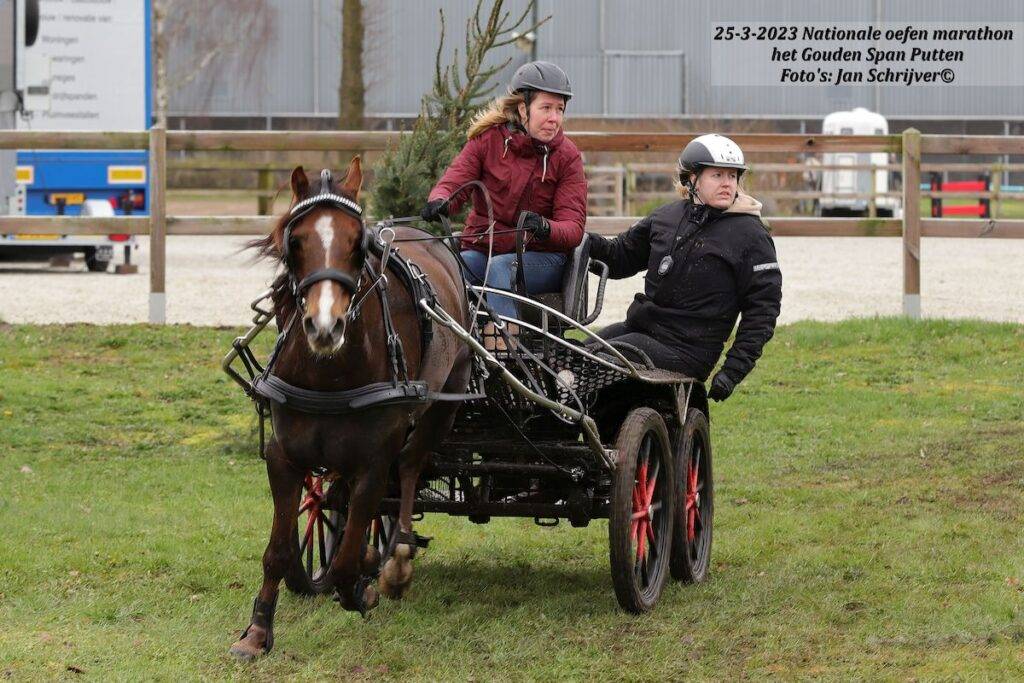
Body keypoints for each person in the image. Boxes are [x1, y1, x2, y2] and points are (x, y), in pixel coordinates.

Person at [586, 134, 782, 402]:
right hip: (640, 329)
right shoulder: (666, 217)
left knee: (600, 356)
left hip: (689, 349)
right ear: (692, 178)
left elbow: (763, 310)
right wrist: (576, 240)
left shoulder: (751, 235)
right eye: (717, 175)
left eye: (732, 176)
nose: (727, 183)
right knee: (574, 352)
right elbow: (620, 257)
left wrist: (732, 371)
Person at [421, 61, 588, 340]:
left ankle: (503, 350)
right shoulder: (487, 140)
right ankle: (447, 348)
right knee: (450, 267)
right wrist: (440, 200)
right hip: (485, 249)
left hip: (542, 259)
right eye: (546, 108)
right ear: (523, 108)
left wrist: (545, 227)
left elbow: (573, 228)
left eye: (559, 109)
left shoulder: (567, 157)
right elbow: (455, 182)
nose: (554, 118)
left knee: (500, 268)